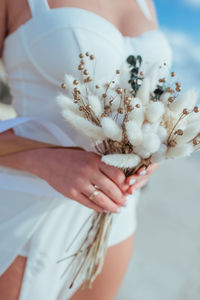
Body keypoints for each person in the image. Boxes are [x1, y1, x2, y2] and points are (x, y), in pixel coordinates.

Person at [0, 0, 172, 299]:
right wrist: (44, 158)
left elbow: (153, 103)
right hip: (26, 214)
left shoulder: (147, 5)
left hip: (116, 218)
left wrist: (153, 150)